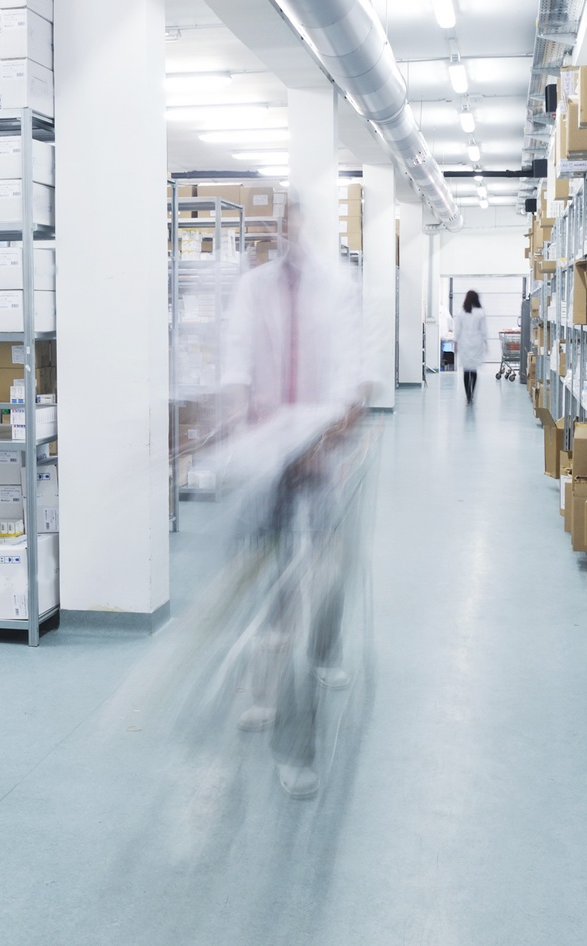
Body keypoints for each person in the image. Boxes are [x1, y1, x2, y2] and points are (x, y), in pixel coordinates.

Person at [215, 202, 371, 800]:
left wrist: (324, 436)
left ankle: (304, 725)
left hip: (321, 454)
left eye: (300, 221)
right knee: (275, 585)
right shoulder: (252, 288)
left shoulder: (339, 289)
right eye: (282, 222)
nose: (290, 233)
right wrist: (237, 430)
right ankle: (267, 693)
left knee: (322, 579)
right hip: (266, 459)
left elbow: (353, 375)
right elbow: (234, 364)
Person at [456, 290, 488, 404]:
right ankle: (472, 395)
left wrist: (455, 343)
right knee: (473, 370)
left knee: (466, 370)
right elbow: (483, 330)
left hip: (464, 342)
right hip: (476, 343)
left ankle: (468, 395)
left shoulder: (461, 312)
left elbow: (458, 330)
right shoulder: (480, 312)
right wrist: (486, 343)